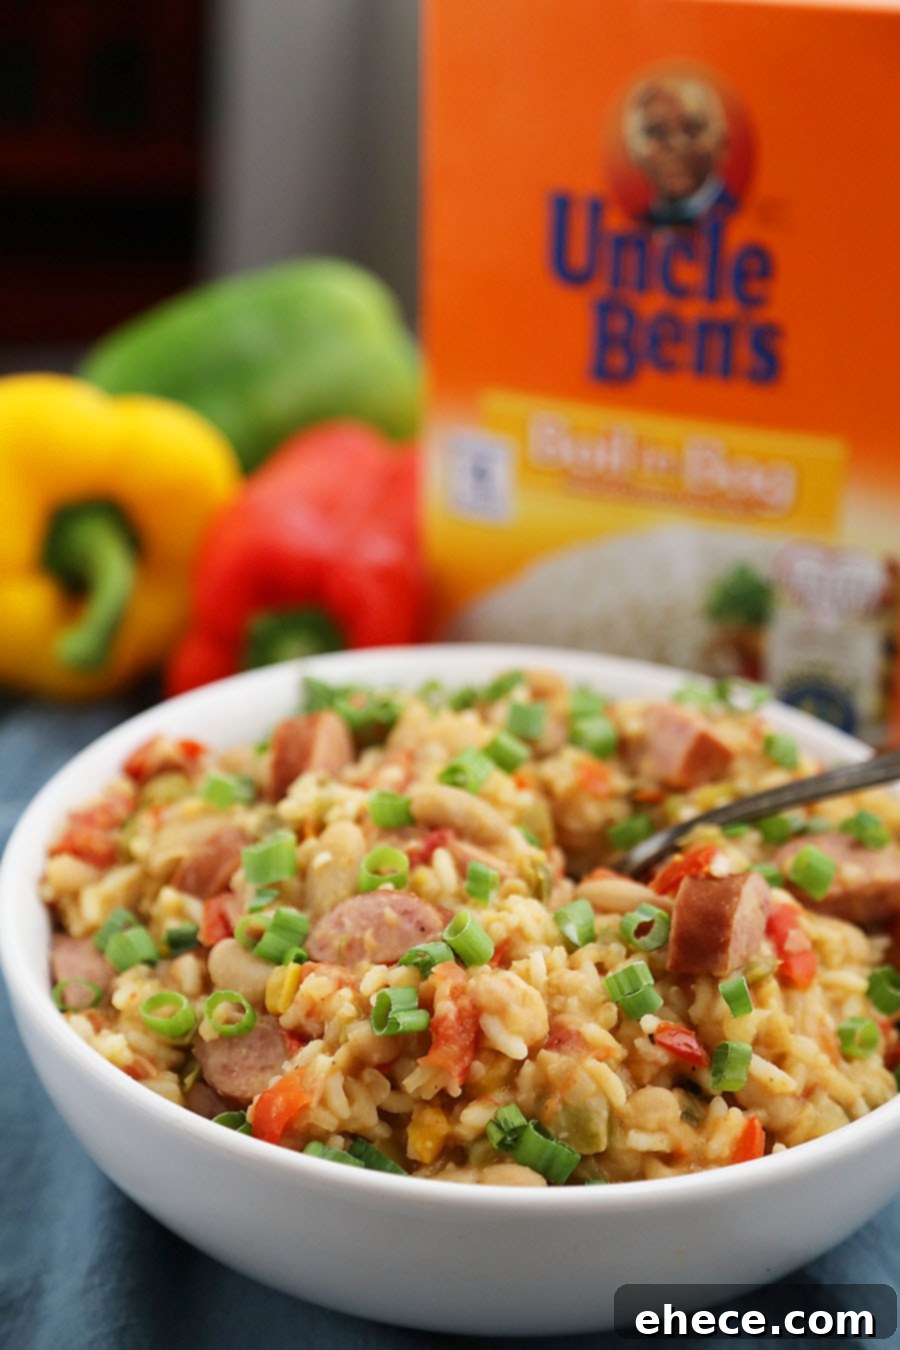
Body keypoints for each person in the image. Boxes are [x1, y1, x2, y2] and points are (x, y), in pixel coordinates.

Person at [623, 75, 734, 226]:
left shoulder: (740, 217)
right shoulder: (637, 227)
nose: (676, 144)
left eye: (692, 129)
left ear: (722, 143)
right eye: (656, 132)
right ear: (632, 151)